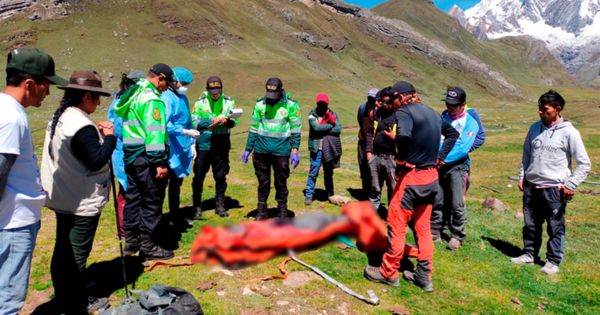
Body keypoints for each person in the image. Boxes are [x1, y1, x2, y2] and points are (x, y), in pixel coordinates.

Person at [363, 81, 458, 292]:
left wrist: (400, 161)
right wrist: (440, 158)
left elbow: (404, 136)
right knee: (423, 228)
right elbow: (453, 134)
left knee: (397, 224)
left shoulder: (404, 111)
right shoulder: (433, 113)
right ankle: (424, 275)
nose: (393, 104)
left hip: (411, 179)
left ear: (401, 97)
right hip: (431, 178)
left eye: (393, 99)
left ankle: (388, 272)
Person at [40, 70, 114, 313]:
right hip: (81, 200)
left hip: (63, 195)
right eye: (95, 97)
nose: (98, 103)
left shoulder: (61, 117)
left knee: (63, 249)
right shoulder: (82, 126)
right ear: (85, 97)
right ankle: (75, 302)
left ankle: (63, 294)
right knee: (77, 253)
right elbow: (96, 161)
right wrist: (109, 138)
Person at [0, 47, 67, 315]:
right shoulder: (12, 118)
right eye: (46, 84)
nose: (48, 92)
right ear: (30, 84)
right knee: (8, 299)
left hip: (10, 220)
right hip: (13, 222)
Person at [511, 90, 591, 275]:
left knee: (555, 226)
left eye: (544, 109)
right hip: (531, 187)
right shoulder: (534, 128)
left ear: (557, 109)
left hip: (554, 189)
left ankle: (553, 261)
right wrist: (523, 175)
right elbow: (526, 154)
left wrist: (571, 184)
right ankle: (529, 254)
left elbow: (584, 163)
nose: (540, 112)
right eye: (539, 108)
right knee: (530, 224)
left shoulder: (570, 133)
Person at [114, 63, 176, 260]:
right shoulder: (152, 100)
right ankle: (148, 246)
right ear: (160, 79)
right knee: (151, 201)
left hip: (131, 156)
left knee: (134, 198)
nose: (167, 89)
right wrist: (160, 162)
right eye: (167, 84)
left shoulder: (133, 93)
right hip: (149, 158)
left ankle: (131, 241)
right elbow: (155, 133)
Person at [430, 86, 485, 250]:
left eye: (454, 105)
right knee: (437, 199)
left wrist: (442, 159)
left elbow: (463, 147)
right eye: (448, 104)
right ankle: (435, 231)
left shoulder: (470, 122)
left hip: (457, 167)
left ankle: (457, 235)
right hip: (438, 164)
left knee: (456, 202)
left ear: (463, 105)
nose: (450, 108)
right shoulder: (443, 117)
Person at [242, 77, 301, 220]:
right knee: (263, 182)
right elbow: (254, 128)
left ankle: (282, 212)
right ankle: (262, 211)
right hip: (261, 150)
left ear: (281, 91)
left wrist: (295, 150)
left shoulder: (291, 106)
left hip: (281, 151)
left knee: (281, 182)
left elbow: (296, 129)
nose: (272, 98)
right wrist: (248, 149)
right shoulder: (260, 104)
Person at [191, 76, 238, 218]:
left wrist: (226, 121)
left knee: (220, 175)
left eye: (217, 89)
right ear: (207, 89)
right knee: (199, 175)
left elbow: (234, 120)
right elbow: (193, 121)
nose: (215, 92)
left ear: (221, 89)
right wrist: (210, 121)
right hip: (204, 143)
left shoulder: (229, 102)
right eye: (212, 89)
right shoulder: (200, 103)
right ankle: (197, 207)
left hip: (222, 143)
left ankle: (220, 205)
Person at [107, 70, 145, 237]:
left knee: (130, 191)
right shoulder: (124, 101)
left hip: (124, 149)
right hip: (125, 150)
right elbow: (120, 128)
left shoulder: (118, 99)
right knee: (127, 191)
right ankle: (125, 229)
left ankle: (129, 227)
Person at [162, 67, 199, 220]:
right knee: (163, 184)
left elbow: (188, 121)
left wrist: (191, 143)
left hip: (183, 147)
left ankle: (175, 215)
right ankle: (160, 218)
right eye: (183, 83)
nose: (185, 86)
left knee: (177, 183)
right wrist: (184, 132)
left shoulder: (183, 98)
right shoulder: (167, 97)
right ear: (173, 81)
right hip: (170, 146)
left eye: (187, 84)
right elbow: (165, 124)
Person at [303, 93, 341, 205]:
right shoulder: (312, 115)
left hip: (328, 148)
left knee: (328, 173)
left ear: (327, 104)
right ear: (317, 103)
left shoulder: (333, 114)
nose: (321, 106)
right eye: (320, 103)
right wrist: (330, 126)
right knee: (313, 172)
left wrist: (323, 128)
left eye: (323, 104)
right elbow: (315, 128)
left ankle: (330, 194)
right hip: (316, 148)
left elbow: (338, 129)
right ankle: (309, 195)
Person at [365, 87, 396, 216]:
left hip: (392, 158)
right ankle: (372, 215)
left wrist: (394, 138)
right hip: (375, 156)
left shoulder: (399, 115)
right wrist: (368, 152)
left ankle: (393, 216)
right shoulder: (377, 114)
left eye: (386, 101)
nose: (383, 104)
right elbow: (369, 133)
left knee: (393, 189)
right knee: (374, 188)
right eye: (381, 101)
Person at [357, 88, 379, 199]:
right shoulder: (362, 108)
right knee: (363, 166)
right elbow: (360, 121)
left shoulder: (379, 110)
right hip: (362, 141)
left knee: (373, 168)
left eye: (373, 98)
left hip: (374, 143)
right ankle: (365, 192)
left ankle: (373, 193)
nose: (371, 99)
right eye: (369, 97)